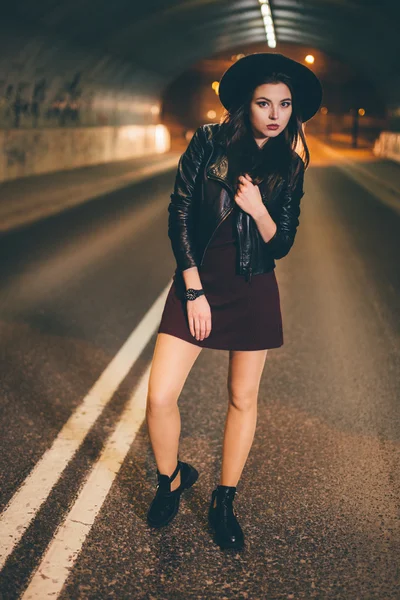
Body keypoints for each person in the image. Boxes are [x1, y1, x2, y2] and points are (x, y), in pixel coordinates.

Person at [145, 52, 323, 550]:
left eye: (284, 104)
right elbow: (179, 215)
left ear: (292, 111)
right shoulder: (208, 143)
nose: (274, 113)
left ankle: (224, 500)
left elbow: (281, 242)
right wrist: (193, 288)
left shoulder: (290, 166)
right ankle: (171, 481)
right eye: (264, 102)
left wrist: (260, 209)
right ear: (247, 104)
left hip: (252, 288)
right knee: (159, 396)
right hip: (198, 284)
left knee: (242, 398)